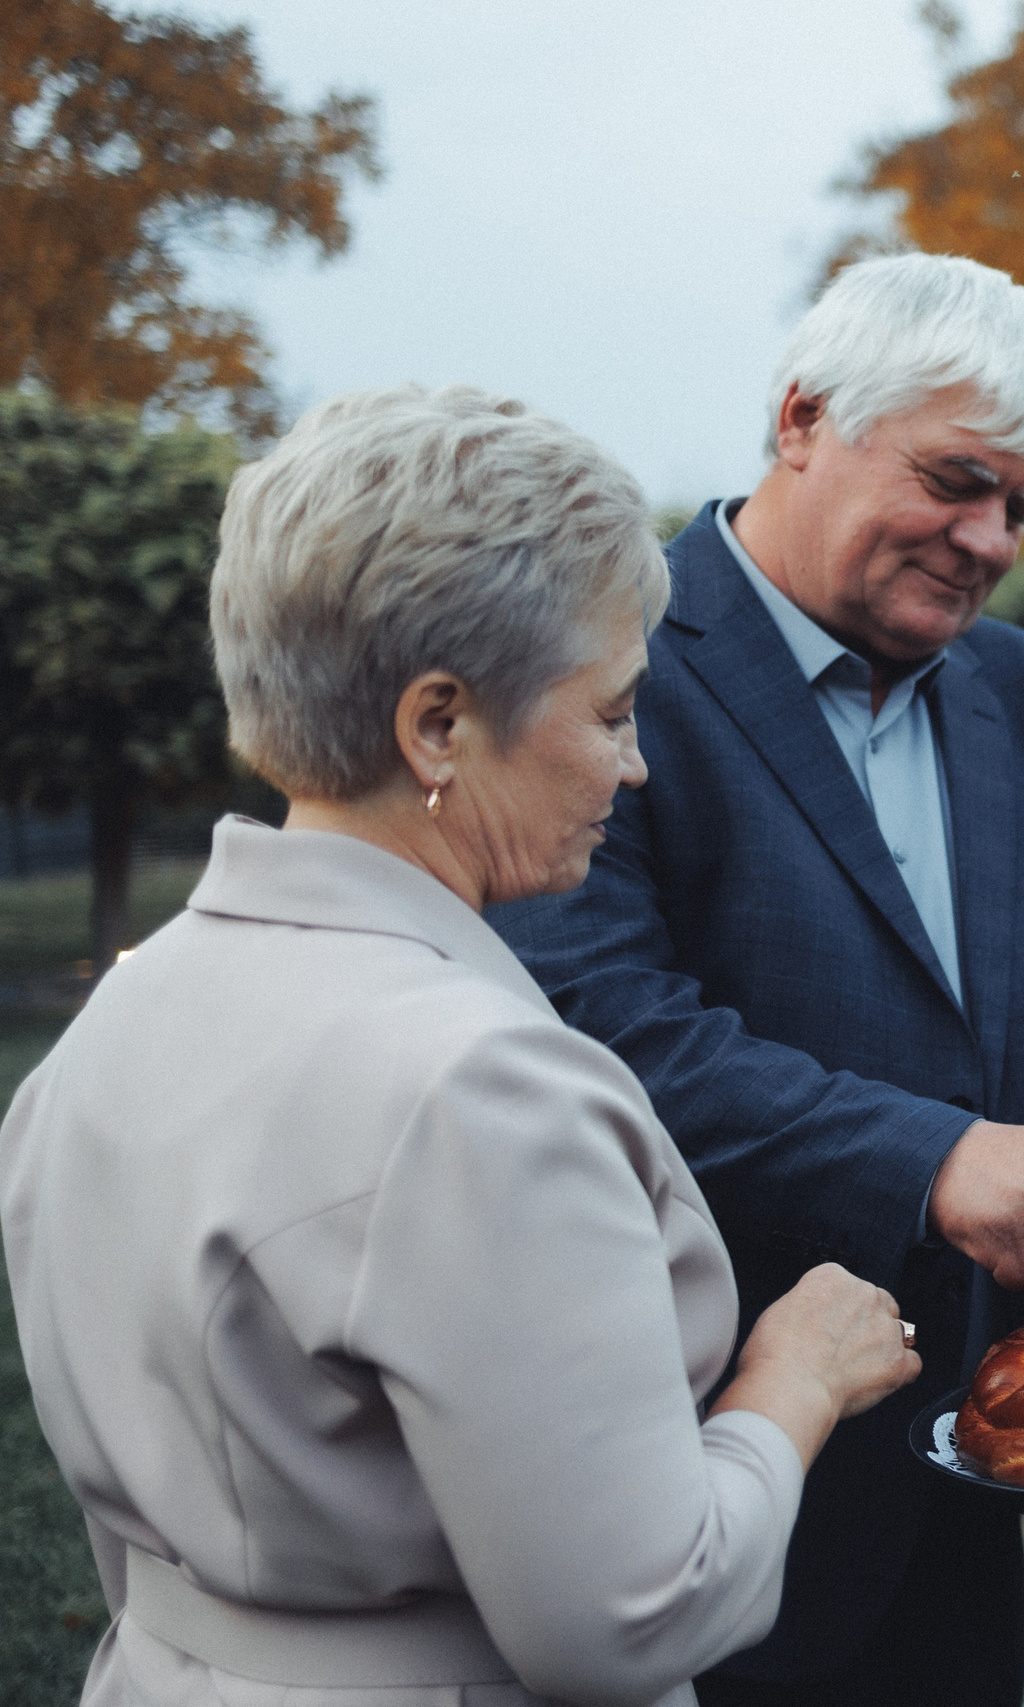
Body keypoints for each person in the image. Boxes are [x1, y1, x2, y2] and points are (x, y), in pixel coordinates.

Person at [0, 385, 921, 1707]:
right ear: (437, 726)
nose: (635, 767)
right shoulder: (478, 1091)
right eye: (611, 712)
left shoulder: (115, 1021)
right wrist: (795, 1379)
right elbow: (632, 1617)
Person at [489, 252, 1024, 1707]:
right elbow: (599, 1023)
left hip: (996, 1470)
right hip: (710, 1476)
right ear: (802, 418)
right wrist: (933, 1159)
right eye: (956, 480)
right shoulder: (604, 666)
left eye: (1023, 508)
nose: (989, 540)